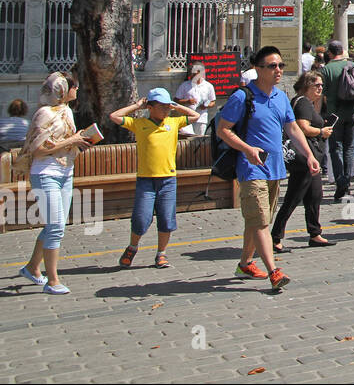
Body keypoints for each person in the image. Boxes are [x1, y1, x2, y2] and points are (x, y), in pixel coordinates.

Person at [216, 46, 318, 292]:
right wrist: (247, 149)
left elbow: (293, 129)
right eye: (272, 66)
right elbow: (223, 129)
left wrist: (309, 155)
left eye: (281, 66)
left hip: (275, 168)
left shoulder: (281, 97)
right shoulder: (242, 97)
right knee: (261, 220)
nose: (279, 70)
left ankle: (244, 264)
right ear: (257, 69)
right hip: (251, 169)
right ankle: (274, 271)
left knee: (258, 219)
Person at [17, 72, 92, 294]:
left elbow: (63, 142)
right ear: (61, 89)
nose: (76, 91)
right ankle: (53, 281)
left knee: (54, 225)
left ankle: (32, 267)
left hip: (65, 172)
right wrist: (72, 140)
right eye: (73, 87)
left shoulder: (67, 111)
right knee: (57, 226)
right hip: (45, 173)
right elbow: (38, 149)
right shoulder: (44, 113)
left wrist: (80, 139)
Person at [109, 88, 200, 269]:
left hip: (168, 179)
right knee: (141, 218)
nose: (166, 110)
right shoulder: (140, 123)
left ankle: (161, 253)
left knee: (166, 218)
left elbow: (195, 116)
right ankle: (132, 246)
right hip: (146, 179)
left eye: (167, 106)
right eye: (161, 106)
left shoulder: (173, 122)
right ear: (150, 107)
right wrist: (137, 106)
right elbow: (114, 116)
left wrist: (177, 107)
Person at [271, 71, 334, 250]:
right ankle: (275, 236)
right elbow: (302, 128)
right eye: (317, 85)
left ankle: (315, 233)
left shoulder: (305, 102)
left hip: (311, 158)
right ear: (307, 86)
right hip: (304, 158)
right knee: (293, 197)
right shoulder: (304, 103)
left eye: (322, 85)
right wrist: (321, 132)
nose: (320, 88)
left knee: (315, 196)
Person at [320, 40, 354, 202]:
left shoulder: (326, 69)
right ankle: (347, 182)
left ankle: (340, 181)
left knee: (336, 148)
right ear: (342, 51)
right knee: (350, 148)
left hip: (334, 114)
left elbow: (322, 94)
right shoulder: (353, 66)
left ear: (329, 53)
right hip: (352, 111)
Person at [174, 63, 217, 137]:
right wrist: (187, 101)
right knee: (187, 139)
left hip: (201, 119)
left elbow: (212, 102)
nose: (194, 76)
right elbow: (176, 100)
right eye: (193, 74)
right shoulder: (185, 85)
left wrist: (206, 105)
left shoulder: (208, 86)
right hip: (187, 118)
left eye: (196, 74)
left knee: (198, 141)